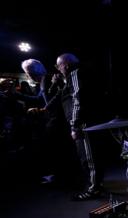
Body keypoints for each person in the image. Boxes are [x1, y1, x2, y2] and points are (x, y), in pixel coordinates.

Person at [48, 53, 102, 200]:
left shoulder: (75, 74)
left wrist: (74, 125)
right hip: (85, 121)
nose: (58, 69)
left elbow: (78, 99)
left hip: (83, 123)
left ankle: (93, 189)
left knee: (88, 158)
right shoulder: (75, 76)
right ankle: (96, 184)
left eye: (58, 66)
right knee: (90, 156)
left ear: (65, 64)